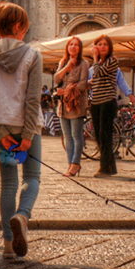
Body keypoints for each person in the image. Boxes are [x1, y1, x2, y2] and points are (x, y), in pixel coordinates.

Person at [0, 1, 42, 260]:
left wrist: (1, 131)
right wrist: (27, 134)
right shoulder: (32, 55)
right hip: (28, 127)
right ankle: (22, 215)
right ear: (17, 26)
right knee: (32, 178)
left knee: (8, 184)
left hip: (1, 130)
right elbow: (33, 98)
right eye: (25, 27)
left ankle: (7, 244)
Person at [84, 35, 129, 176]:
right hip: (96, 102)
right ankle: (111, 167)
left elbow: (100, 72)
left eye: (105, 44)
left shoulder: (112, 61)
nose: (102, 46)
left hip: (107, 102)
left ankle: (104, 168)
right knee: (98, 135)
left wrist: (95, 59)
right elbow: (96, 76)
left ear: (109, 48)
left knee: (105, 135)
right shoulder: (96, 64)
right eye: (99, 44)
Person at [53, 36, 90, 177]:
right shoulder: (63, 62)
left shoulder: (84, 64)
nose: (73, 47)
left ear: (80, 48)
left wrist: (66, 90)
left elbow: (82, 85)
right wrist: (67, 67)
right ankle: (70, 163)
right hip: (63, 105)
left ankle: (76, 163)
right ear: (67, 47)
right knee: (67, 136)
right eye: (71, 44)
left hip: (76, 104)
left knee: (76, 135)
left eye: (76, 45)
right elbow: (56, 79)